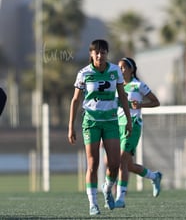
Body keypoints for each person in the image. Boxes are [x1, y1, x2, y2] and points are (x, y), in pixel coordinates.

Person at [68, 39, 132, 216]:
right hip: (91, 122)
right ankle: (93, 204)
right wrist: (71, 127)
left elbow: (122, 96)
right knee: (93, 164)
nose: (99, 55)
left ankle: (108, 188)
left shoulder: (115, 71)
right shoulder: (84, 73)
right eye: (96, 52)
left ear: (107, 54)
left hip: (111, 121)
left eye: (103, 52)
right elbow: (75, 100)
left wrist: (128, 119)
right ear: (91, 54)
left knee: (115, 163)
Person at [114, 57, 162, 208]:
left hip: (133, 126)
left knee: (122, 161)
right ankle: (154, 176)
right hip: (118, 126)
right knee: (128, 165)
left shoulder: (138, 85)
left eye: (123, 68)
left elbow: (156, 102)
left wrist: (140, 104)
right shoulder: (117, 86)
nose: (120, 70)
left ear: (131, 70)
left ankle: (120, 198)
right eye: (118, 68)